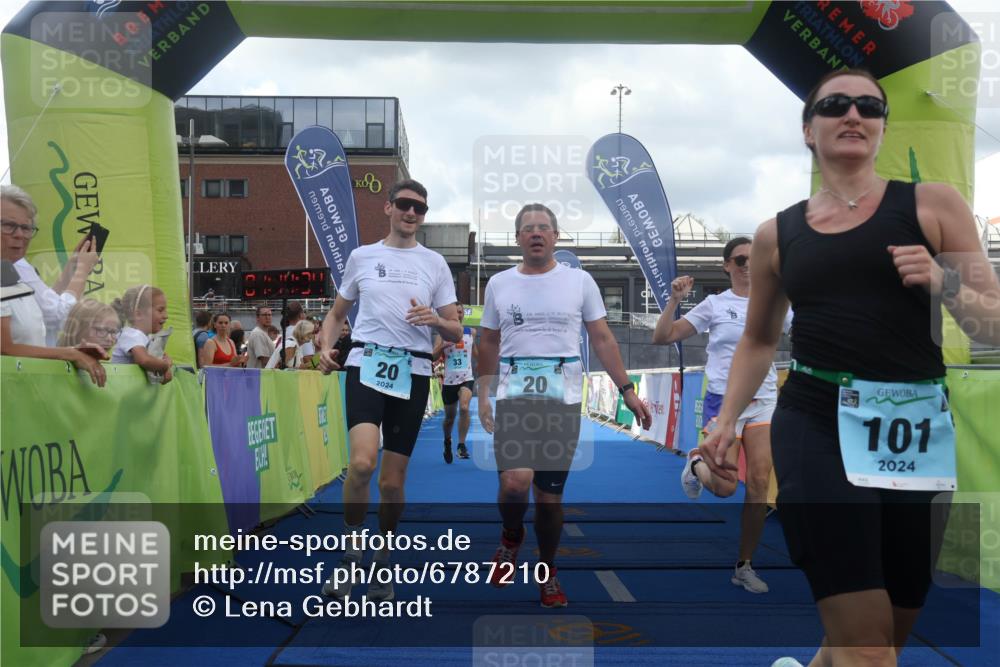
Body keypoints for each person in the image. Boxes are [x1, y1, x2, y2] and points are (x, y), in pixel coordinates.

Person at [699, 69, 1000, 667]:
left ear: (883, 128)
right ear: (809, 130)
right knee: (866, 648)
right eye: (836, 104)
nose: (854, 114)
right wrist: (725, 421)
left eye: (870, 105)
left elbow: (991, 326)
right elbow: (758, 339)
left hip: (915, 430)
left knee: (886, 629)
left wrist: (945, 283)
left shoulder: (934, 204)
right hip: (816, 421)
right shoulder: (776, 234)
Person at [477, 203, 652, 608]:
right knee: (514, 484)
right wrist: (484, 393)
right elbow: (488, 341)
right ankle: (511, 536)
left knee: (549, 500)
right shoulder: (500, 283)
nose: (536, 233)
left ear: (556, 236)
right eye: (528, 228)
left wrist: (626, 389)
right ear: (518, 238)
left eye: (544, 227)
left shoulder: (580, 281)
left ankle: (548, 570)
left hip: (563, 400)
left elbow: (603, 339)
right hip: (516, 396)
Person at [317, 179, 461, 602]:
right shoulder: (362, 257)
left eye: (419, 207)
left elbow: (456, 327)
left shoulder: (435, 263)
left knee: (392, 485)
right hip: (365, 363)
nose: (411, 213)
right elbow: (336, 314)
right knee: (361, 464)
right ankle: (350, 555)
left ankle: (382, 559)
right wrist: (325, 347)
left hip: (413, 371)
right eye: (404, 204)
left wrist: (434, 320)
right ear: (388, 208)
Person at [652, 237, 792, 594]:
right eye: (740, 259)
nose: (748, 263)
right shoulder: (715, 305)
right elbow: (662, 336)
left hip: (763, 401)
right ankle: (695, 460)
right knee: (726, 488)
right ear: (727, 265)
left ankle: (744, 565)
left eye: (754, 257)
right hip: (724, 404)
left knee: (759, 483)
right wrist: (674, 300)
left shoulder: (777, 303)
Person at [2, 185, 100, 346]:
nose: (19, 235)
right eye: (8, 226)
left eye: (26, 228)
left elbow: (47, 308)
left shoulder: (18, 263)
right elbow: (61, 316)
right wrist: (82, 270)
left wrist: (73, 266)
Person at [1, 260, 106, 386]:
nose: (21, 241)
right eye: (13, 238)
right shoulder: (16, 270)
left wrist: (73, 352)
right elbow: (5, 349)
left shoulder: (17, 272)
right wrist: (69, 353)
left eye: (27, 238)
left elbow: (33, 340)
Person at [433, 302, 476, 462]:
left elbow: (476, 353)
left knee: (464, 407)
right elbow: (433, 357)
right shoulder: (442, 334)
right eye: (455, 312)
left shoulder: (471, 332)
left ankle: (462, 445)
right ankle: (447, 441)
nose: (458, 315)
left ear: (463, 314)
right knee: (449, 418)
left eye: (460, 312)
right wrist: (443, 346)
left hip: (466, 378)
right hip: (449, 381)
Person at [111, 284, 173, 384]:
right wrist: (164, 366)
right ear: (138, 314)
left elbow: (156, 372)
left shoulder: (144, 338)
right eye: (160, 310)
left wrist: (165, 365)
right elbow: (144, 360)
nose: (166, 316)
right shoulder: (131, 335)